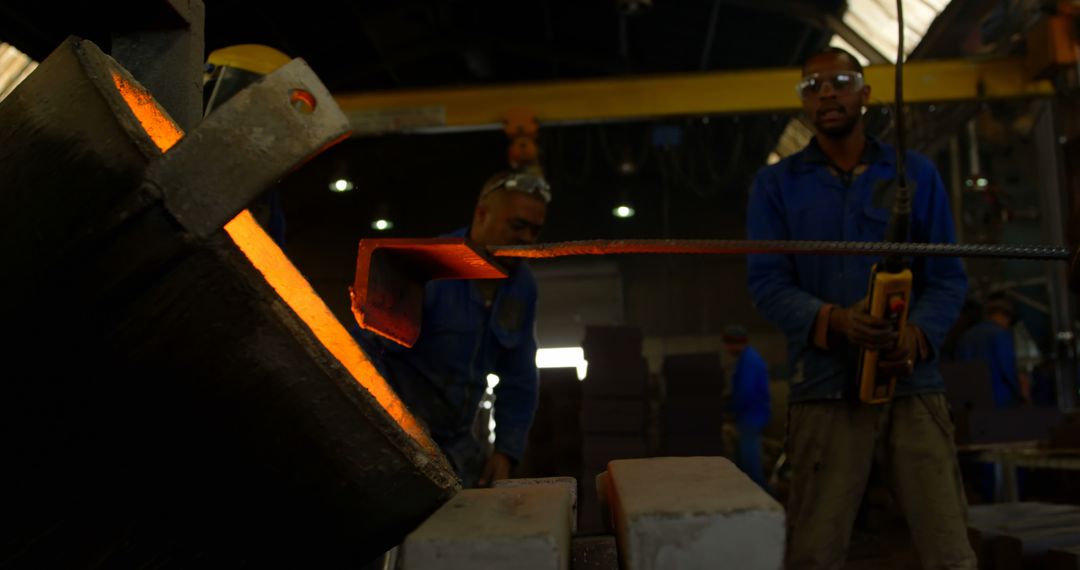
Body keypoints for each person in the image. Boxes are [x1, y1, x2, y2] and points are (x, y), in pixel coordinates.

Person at [746, 47, 975, 569]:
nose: (826, 92)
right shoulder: (776, 186)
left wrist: (915, 337)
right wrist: (836, 321)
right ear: (803, 102)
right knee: (815, 552)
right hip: (825, 385)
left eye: (841, 81)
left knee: (950, 552)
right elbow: (767, 283)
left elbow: (947, 278)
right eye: (812, 85)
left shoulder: (913, 175)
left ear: (865, 94)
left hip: (911, 383)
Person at [354, 170, 549, 488]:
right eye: (518, 226)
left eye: (535, 230)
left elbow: (519, 376)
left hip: (456, 443)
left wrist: (506, 451)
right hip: (398, 436)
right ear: (482, 214)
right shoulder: (428, 267)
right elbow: (365, 351)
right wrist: (391, 420)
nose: (528, 239)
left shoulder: (522, 286)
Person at [956, 294, 1030, 408]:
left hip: (971, 401)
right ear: (1004, 315)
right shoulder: (1000, 334)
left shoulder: (967, 335)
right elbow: (1007, 368)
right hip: (999, 400)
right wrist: (1020, 390)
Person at [723, 324, 772, 490]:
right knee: (743, 463)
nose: (727, 348)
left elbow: (746, 392)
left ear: (734, 343)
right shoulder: (747, 359)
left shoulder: (749, 361)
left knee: (751, 467)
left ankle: (768, 503)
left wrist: (731, 409)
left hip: (751, 418)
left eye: (728, 344)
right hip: (749, 417)